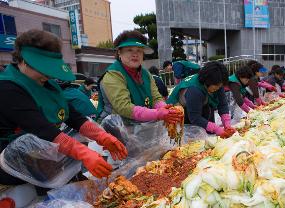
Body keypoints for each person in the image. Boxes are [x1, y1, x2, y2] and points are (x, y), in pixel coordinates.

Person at [0, 30, 128, 187]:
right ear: (23, 61)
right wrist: (84, 153)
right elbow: (42, 129)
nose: (46, 74)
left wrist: (102, 136)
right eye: (41, 68)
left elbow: (73, 117)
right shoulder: (7, 88)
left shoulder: (48, 84)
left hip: (45, 158)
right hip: (13, 165)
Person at [98, 30, 182, 124]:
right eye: (129, 50)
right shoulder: (113, 75)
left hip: (139, 127)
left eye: (139, 50)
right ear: (119, 53)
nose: (135, 54)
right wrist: (157, 113)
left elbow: (156, 98)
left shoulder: (146, 74)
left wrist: (164, 108)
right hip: (115, 128)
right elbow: (124, 107)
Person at [166, 61, 235, 138]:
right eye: (217, 86)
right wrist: (216, 128)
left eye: (220, 86)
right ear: (208, 81)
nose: (218, 88)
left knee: (209, 128)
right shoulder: (194, 90)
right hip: (180, 112)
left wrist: (227, 124)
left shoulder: (217, 82)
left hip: (200, 104)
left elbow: (222, 104)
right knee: (191, 138)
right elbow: (195, 117)